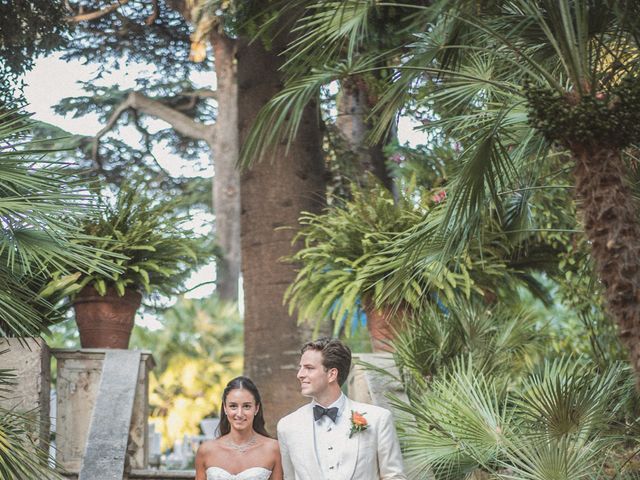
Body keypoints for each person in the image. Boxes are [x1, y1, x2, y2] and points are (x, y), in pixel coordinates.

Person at [277, 337, 406, 480]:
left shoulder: (378, 419)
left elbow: (394, 476)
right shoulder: (287, 426)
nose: (300, 374)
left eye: (309, 368)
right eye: (300, 368)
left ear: (332, 374)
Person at [195, 376, 283, 480]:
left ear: (256, 408)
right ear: (225, 408)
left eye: (246, 406)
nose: (239, 414)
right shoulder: (205, 451)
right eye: (233, 406)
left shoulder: (273, 449)